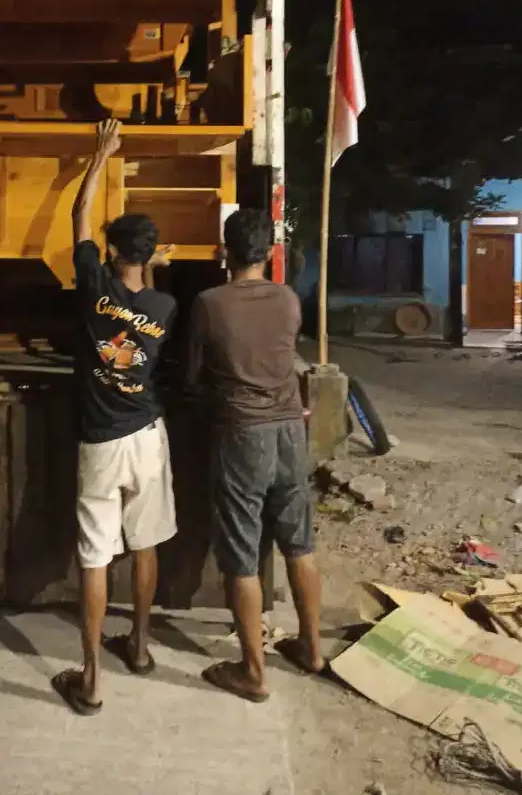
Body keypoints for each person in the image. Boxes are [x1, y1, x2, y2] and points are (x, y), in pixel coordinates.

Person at [53, 119, 177, 716]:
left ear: (109, 253)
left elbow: (79, 213)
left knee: (95, 557)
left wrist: (100, 156)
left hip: (99, 442)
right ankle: (142, 645)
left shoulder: (89, 288)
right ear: (149, 258)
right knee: (145, 543)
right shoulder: (165, 304)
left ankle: (93, 679)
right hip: (147, 436)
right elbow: (141, 303)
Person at [186, 208, 323, 702]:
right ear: (268, 253)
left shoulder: (208, 301)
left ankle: (253, 672)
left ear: (225, 250)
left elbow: (192, 374)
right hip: (290, 430)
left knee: (242, 557)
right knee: (299, 544)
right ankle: (311, 649)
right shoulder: (288, 300)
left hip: (242, 434)